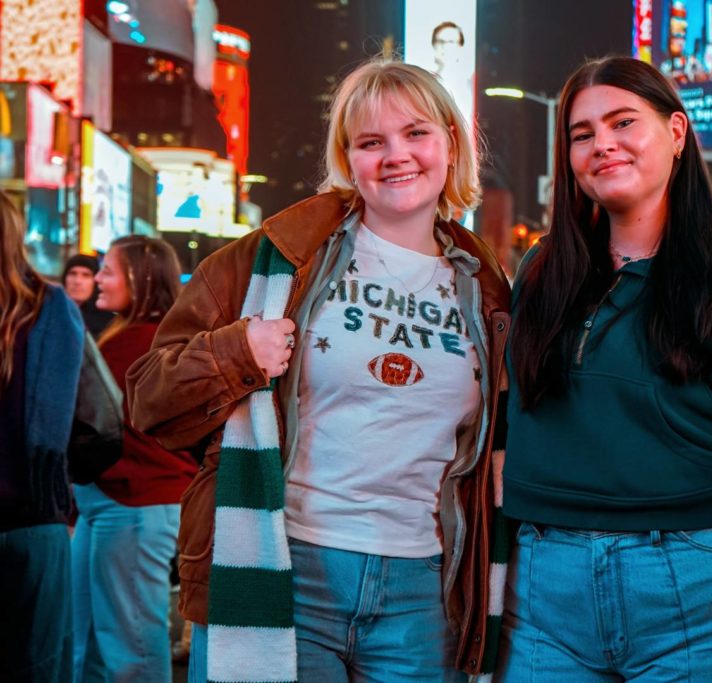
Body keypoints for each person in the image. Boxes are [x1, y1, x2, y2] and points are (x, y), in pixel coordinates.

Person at [126, 59, 510, 682]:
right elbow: (148, 398)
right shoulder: (273, 258)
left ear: (450, 143)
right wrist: (236, 353)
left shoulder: (487, 287)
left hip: (425, 589)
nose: (396, 155)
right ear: (348, 159)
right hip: (285, 571)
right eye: (371, 142)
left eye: (416, 133)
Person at [499, 57, 712, 682]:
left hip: (700, 592)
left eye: (623, 122)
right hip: (546, 592)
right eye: (582, 134)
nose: (602, 143)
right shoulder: (540, 275)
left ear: (678, 133)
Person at [71, 235, 198, 682]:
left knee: (131, 646)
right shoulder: (140, 335)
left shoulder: (141, 342)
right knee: (96, 639)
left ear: (139, 278)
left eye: (106, 269)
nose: (98, 279)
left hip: (134, 504)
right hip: (117, 503)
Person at [0, 190, 85, 682]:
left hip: (36, 518)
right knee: (40, 667)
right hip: (37, 517)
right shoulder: (50, 308)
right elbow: (85, 412)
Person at [62, 253, 114, 338]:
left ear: (96, 281)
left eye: (86, 275)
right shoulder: (49, 311)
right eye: (73, 273)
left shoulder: (108, 323)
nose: (77, 281)